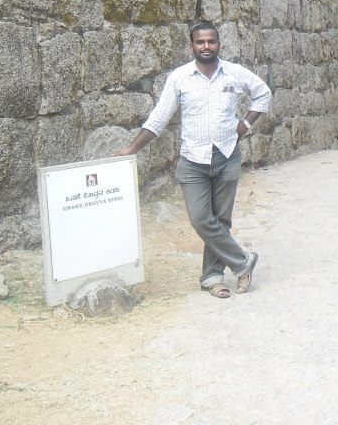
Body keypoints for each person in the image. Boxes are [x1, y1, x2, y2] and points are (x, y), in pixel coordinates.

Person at [115, 21, 272, 299]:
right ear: (192, 46)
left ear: (218, 44)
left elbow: (263, 94)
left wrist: (245, 125)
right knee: (201, 219)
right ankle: (242, 261)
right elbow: (159, 118)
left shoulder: (234, 73)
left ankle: (212, 277)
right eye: (200, 42)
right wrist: (132, 148)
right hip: (192, 160)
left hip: (226, 155)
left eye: (211, 41)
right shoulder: (180, 78)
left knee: (220, 221)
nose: (206, 46)